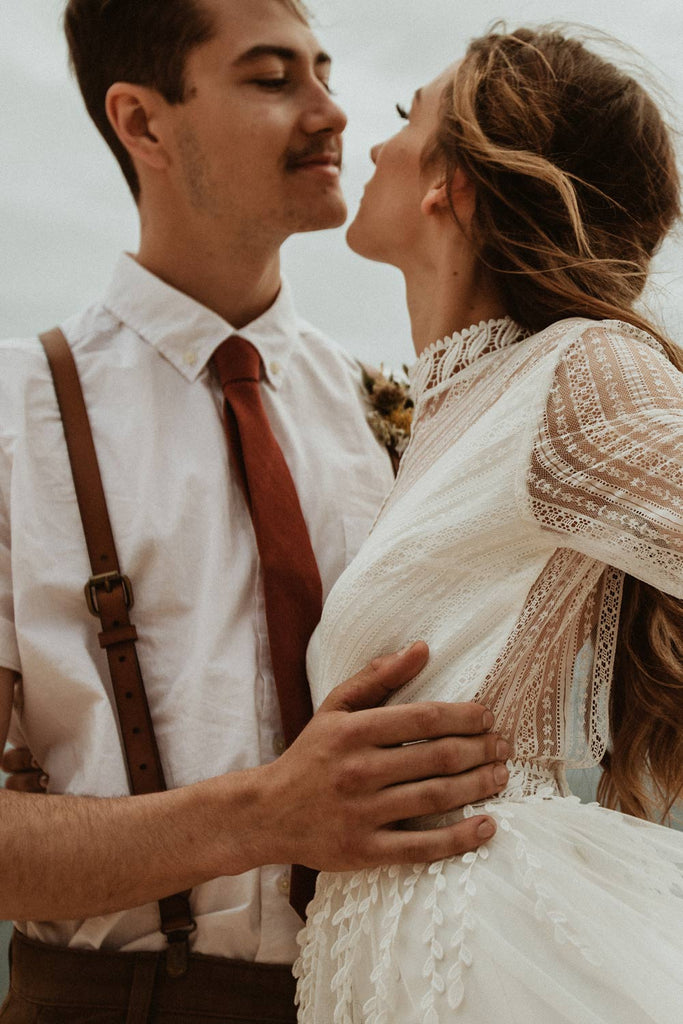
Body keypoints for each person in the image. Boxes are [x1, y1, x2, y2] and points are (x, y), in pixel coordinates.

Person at [0, 1, 512, 1021]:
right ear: (142, 122)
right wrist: (264, 816)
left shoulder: (395, 411)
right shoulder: (19, 416)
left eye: (323, 71)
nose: (331, 111)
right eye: (273, 79)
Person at [294, 26, 683, 1024]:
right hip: (400, 956)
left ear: (450, 184)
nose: (373, 144)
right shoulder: (453, 414)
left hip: (489, 950)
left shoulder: (574, 372)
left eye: (403, 117)